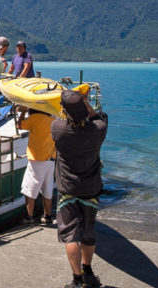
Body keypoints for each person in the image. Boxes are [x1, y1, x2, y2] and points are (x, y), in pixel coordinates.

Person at [51, 89, 108, 288]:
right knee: (88, 233)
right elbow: (99, 117)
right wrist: (85, 102)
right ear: (83, 108)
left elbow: (61, 118)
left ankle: (76, 280)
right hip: (90, 190)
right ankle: (88, 271)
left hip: (67, 189)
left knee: (70, 236)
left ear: (64, 110)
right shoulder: (98, 130)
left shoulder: (57, 128)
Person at [16, 106, 56, 226]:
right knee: (48, 188)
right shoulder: (52, 120)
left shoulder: (35, 118)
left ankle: (29, 217)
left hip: (37, 159)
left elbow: (20, 125)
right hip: (51, 159)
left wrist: (23, 111)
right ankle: (48, 216)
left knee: (30, 189)